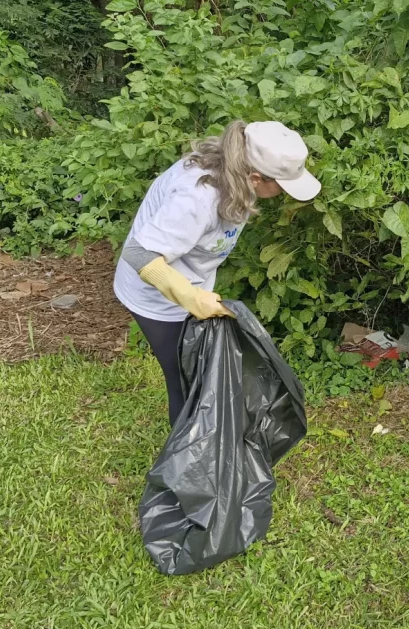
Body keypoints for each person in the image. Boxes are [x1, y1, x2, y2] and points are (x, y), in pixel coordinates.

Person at [113, 120, 321, 426]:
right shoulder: (198, 198)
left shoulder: (236, 172)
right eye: (281, 185)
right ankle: (189, 464)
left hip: (192, 288)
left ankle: (206, 448)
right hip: (157, 298)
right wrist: (191, 298)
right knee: (187, 383)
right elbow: (137, 253)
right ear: (255, 177)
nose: (284, 194)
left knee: (202, 375)